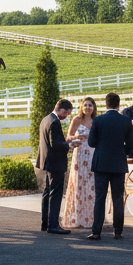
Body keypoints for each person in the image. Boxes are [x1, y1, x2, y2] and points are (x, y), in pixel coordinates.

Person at [87, 92, 133, 241]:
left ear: (106, 104)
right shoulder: (125, 121)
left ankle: (96, 231)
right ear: (118, 104)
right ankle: (118, 231)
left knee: (100, 198)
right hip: (118, 163)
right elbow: (132, 144)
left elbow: (91, 142)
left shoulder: (98, 120)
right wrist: (123, 151)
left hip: (101, 163)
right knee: (117, 197)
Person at [36, 99, 77, 235]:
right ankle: (53, 225)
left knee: (47, 192)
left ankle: (45, 223)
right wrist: (70, 146)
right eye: (67, 113)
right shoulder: (54, 122)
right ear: (62, 110)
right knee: (55, 194)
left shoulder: (46, 119)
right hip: (55, 163)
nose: (66, 116)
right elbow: (56, 144)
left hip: (46, 162)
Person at [60, 97, 99, 230]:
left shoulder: (96, 121)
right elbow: (68, 137)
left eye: (90, 105)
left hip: (92, 155)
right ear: (82, 107)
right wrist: (78, 137)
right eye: (85, 105)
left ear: (93, 108)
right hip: (79, 155)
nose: (88, 107)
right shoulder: (77, 120)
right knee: (79, 184)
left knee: (91, 185)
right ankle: (78, 217)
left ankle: (92, 217)